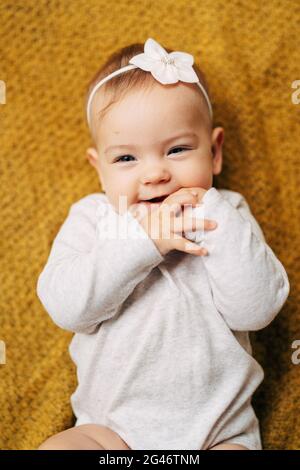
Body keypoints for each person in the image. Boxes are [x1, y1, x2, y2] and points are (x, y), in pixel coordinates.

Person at [36, 38, 290, 450]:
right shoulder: (95, 217)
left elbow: (257, 310)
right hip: (110, 433)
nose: (154, 174)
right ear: (99, 169)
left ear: (215, 152)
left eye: (177, 150)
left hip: (218, 434)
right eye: (126, 159)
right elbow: (67, 307)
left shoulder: (226, 213)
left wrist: (214, 215)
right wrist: (143, 241)